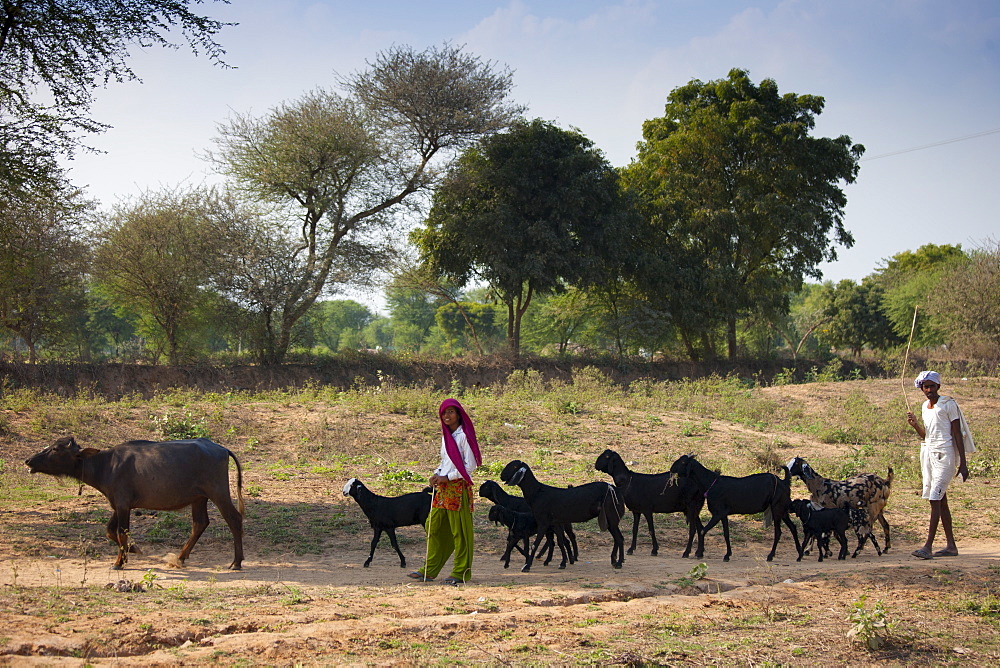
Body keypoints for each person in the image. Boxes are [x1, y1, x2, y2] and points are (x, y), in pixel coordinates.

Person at [408, 398, 481, 585]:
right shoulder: (447, 436)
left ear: (458, 414)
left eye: (451, 412)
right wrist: (437, 474)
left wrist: (447, 478)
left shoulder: (464, 435)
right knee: (435, 525)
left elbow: (469, 466)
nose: (447, 416)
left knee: (460, 532)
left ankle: (460, 572)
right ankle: (430, 569)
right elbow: (445, 463)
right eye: (444, 412)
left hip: (457, 489)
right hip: (444, 489)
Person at [906, 370, 975, 559]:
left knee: (935, 498)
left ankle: (927, 547)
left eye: (932, 386)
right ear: (921, 388)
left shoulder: (948, 404)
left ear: (938, 387)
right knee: (941, 500)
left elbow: (957, 434)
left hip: (945, 456)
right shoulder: (924, 406)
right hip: (929, 454)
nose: (928, 390)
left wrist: (963, 463)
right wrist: (915, 426)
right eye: (925, 387)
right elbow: (926, 436)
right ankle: (951, 546)